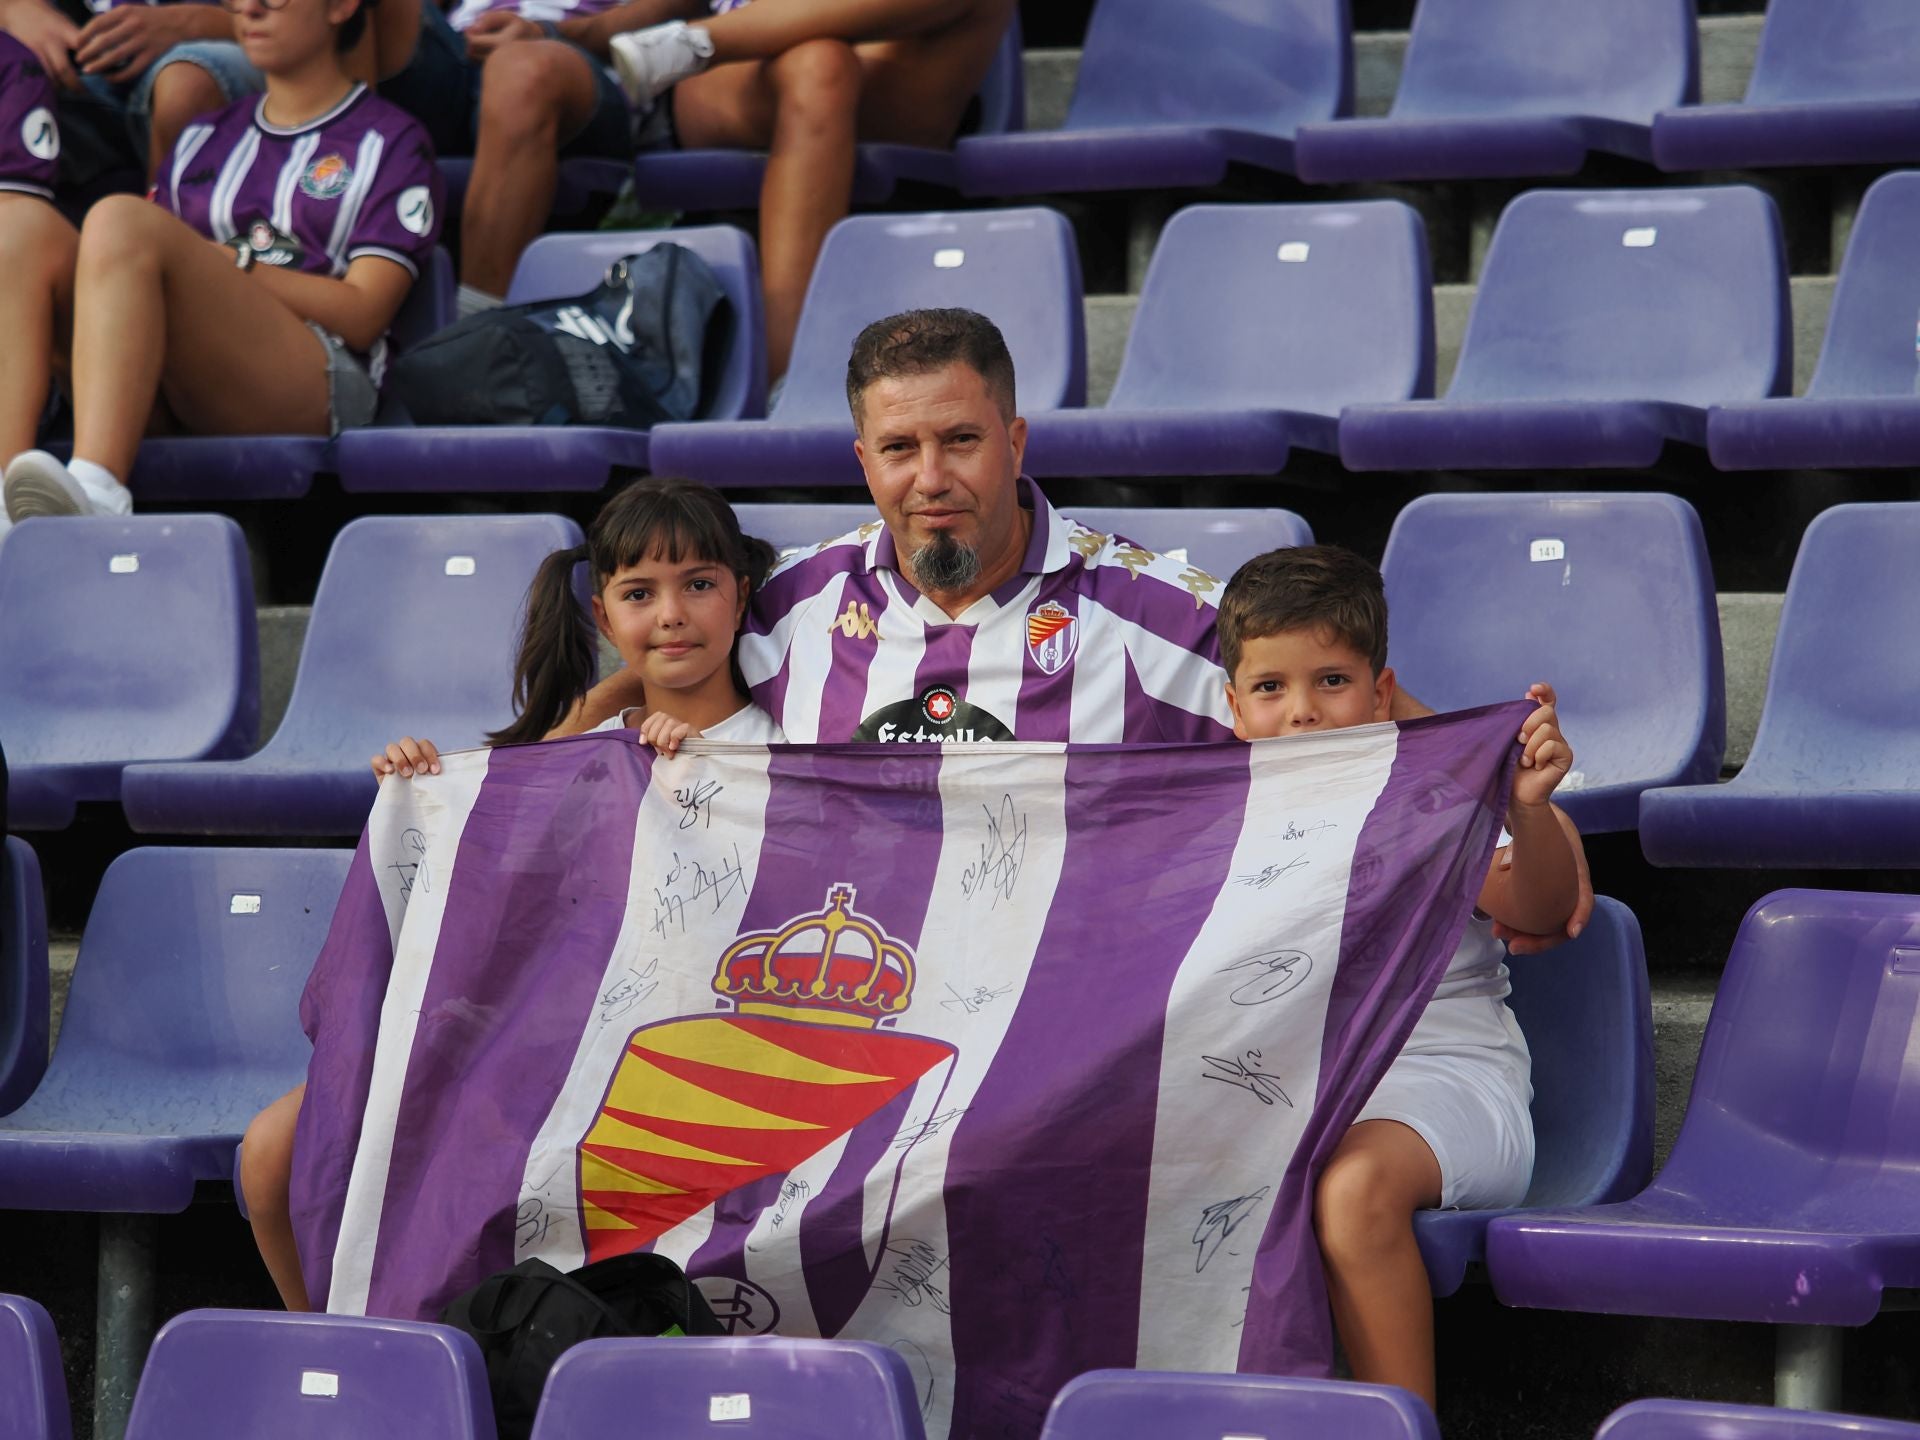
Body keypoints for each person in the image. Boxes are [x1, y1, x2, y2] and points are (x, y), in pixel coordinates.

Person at [240, 476, 782, 1310]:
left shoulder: (782, 747)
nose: (672, 613)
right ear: (604, 617)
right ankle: (336, 1352)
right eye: (641, 593)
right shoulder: (580, 747)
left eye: (698, 585)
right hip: (537, 1040)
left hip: (673, 1052)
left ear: (740, 596)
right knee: (274, 1151)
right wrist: (424, 792)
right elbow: (504, 903)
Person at [1217, 543, 1583, 1409]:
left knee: (1351, 1190)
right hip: (1280, 1087)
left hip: (1439, 1081)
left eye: (1332, 682)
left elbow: (1538, 910)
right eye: (1271, 689)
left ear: (1382, 693)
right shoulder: (1211, 810)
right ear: (1232, 708)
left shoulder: (1436, 790)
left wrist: (1523, 812)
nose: (1302, 713)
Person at [0, 0, 443, 529]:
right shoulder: (202, 135)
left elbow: (365, 312)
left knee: (122, 218)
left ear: (342, 7)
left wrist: (233, 261)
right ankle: (5, 496)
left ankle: (97, 488)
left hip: (318, 378)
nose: (250, 9)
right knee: (22, 226)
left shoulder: (390, 140)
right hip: (181, 377)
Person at [447, 0, 1014, 375]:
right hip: (753, 75)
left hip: (892, 71)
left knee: (824, 60)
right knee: (819, 65)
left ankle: (695, 42)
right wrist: (575, 34)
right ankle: (785, 376)